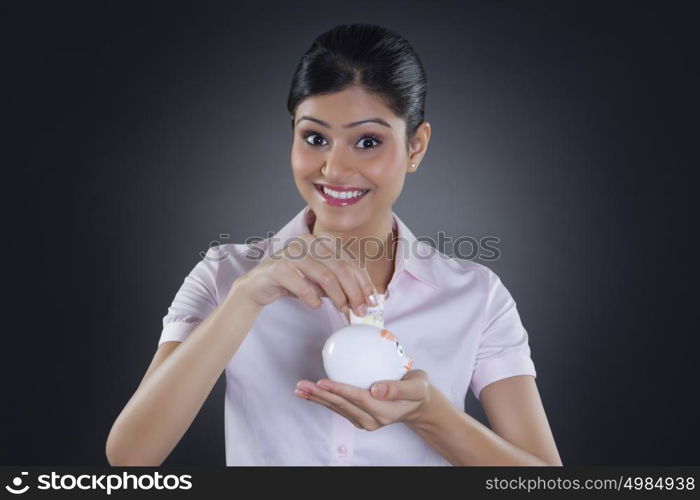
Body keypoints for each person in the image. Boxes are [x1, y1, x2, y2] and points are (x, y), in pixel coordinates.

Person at [106, 23, 562, 466]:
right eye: (315, 138)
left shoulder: (476, 296)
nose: (335, 168)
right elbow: (131, 456)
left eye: (368, 141)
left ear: (416, 148)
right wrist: (245, 299)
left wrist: (430, 416)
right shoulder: (225, 275)